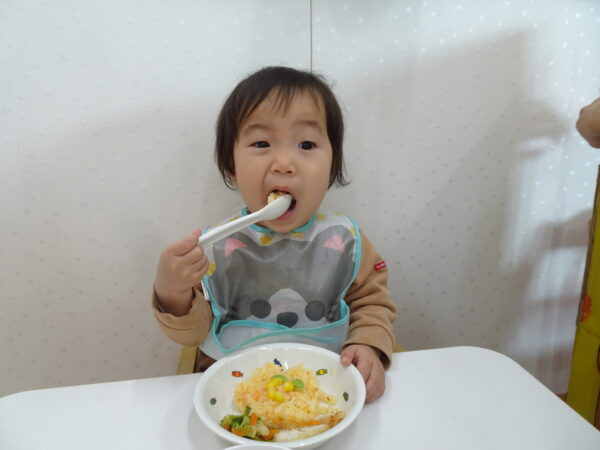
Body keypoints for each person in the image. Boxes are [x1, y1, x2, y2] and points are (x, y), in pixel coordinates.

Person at [152, 66, 397, 402]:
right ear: (231, 167)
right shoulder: (216, 248)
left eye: (306, 144)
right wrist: (171, 291)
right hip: (232, 394)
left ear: (331, 165)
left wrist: (368, 344)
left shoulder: (346, 241)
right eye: (261, 143)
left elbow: (373, 304)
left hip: (325, 389)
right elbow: (192, 334)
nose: (284, 163)